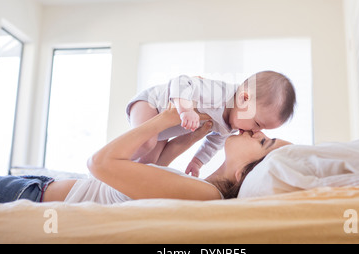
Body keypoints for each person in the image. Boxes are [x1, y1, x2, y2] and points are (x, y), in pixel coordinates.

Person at [0, 105, 290, 204]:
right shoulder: (202, 189)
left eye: (264, 142)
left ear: (242, 173)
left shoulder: (206, 196)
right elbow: (148, 173)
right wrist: (192, 137)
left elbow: (99, 163)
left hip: (32, 195)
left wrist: (164, 119)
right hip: (38, 188)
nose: (256, 132)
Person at [126, 71, 296, 177]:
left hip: (162, 129)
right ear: (244, 99)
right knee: (146, 143)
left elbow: (213, 144)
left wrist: (197, 162)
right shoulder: (220, 93)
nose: (255, 131)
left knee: (149, 164)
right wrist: (185, 110)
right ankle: (117, 159)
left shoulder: (231, 126)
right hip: (151, 103)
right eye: (257, 123)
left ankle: (122, 180)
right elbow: (181, 81)